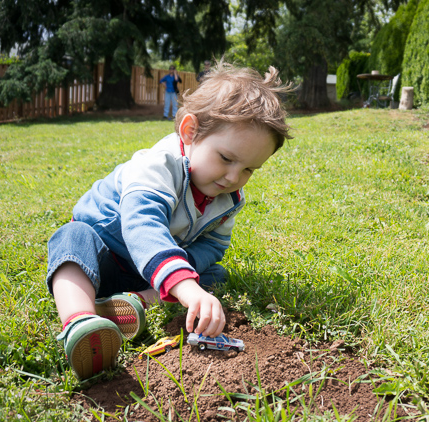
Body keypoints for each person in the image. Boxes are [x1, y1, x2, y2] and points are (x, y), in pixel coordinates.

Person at [47, 62, 293, 380]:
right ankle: (81, 320)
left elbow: (212, 246)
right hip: (104, 256)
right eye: (226, 159)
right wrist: (187, 290)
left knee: (216, 275)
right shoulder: (159, 165)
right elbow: (142, 227)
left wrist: (190, 279)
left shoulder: (229, 199)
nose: (234, 177)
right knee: (71, 238)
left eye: (248, 170)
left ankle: (132, 303)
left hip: (149, 275)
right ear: (190, 131)